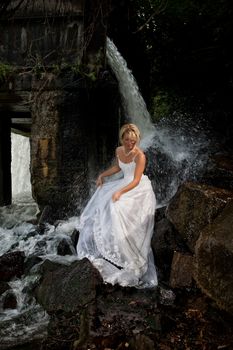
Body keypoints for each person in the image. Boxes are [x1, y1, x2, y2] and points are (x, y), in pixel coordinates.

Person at [76, 123, 158, 288]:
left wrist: (120, 192)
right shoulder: (119, 151)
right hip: (124, 182)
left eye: (133, 141)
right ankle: (109, 242)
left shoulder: (140, 156)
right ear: (122, 139)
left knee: (116, 207)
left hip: (138, 188)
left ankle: (127, 252)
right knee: (102, 198)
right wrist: (102, 175)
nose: (130, 144)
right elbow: (117, 167)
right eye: (127, 140)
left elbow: (135, 180)